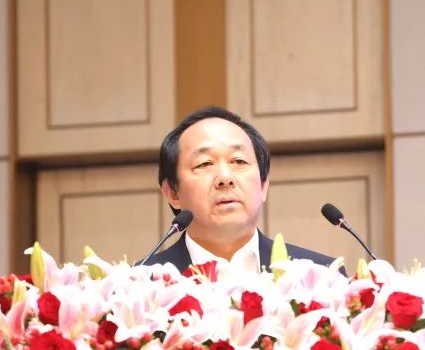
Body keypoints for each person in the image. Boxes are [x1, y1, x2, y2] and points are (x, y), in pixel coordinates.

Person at [137, 106, 339, 273]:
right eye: (204, 163)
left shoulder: (321, 276)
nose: (225, 178)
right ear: (173, 192)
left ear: (263, 185)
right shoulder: (140, 284)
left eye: (239, 161)